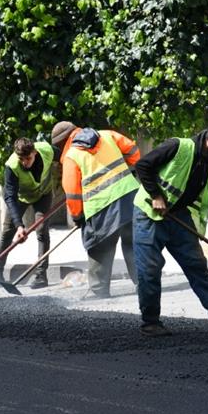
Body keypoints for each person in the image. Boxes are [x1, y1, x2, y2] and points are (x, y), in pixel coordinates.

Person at [130, 122, 208, 336]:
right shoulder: (178, 147)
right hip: (149, 215)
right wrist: (155, 195)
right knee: (150, 270)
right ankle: (151, 323)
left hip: (178, 216)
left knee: (197, 265)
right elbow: (143, 165)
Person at [59, 122, 141, 299]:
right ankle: (144, 284)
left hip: (101, 207)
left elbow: (72, 192)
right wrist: (133, 167)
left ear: (64, 141)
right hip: (130, 197)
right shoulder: (107, 134)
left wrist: (77, 215)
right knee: (133, 243)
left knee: (99, 247)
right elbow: (133, 150)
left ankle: (99, 290)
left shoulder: (72, 156)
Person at [0, 136, 60, 288]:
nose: (24, 163)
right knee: (7, 232)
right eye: (21, 159)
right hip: (21, 197)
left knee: (42, 230)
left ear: (35, 152)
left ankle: (41, 276)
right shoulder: (12, 166)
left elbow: (67, 159)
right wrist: (19, 226)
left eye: (28, 158)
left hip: (43, 194)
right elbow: (9, 196)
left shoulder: (47, 150)